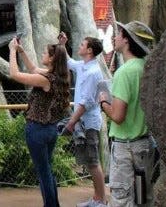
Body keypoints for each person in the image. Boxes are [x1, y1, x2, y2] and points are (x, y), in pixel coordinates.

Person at [10, 35, 71, 207]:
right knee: (47, 170)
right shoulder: (58, 76)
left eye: (45, 52)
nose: (42, 54)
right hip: (50, 130)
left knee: (43, 173)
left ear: (52, 59)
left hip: (37, 130)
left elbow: (14, 74)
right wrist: (22, 52)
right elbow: (33, 68)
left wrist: (12, 51)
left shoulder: (45, 79)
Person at [98, 21, 155, 207]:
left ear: (127, 41)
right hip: (146, 144)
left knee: (122, 199)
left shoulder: (124, 73)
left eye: (119, 34)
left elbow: (118, 116)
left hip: (125, 147)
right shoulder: (148, 69)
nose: (115, 37)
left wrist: (104, 103)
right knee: (144, 197)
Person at [64, 35, 107, 207]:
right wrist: (62, 45)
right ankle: (97, 198)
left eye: (82, 44)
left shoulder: (92, 72)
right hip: (83, 122)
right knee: (91, 163)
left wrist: (71, 122)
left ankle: (102, 200)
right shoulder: (83, 66)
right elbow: (70, 62)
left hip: (89, 123)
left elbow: (86, 102)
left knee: (94, 162)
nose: (79, 46)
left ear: (89, 50)